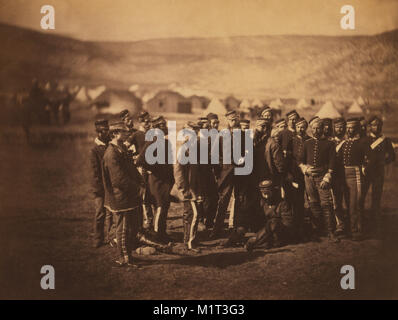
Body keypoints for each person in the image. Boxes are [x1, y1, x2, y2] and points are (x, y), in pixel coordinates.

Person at [102, 122, 145, 268]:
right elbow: (118, 179)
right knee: (123, 229)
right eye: (124, 132)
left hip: (128, 196)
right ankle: (124, 258)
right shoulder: (111, 153)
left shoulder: (121, 149)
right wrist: (137, 188)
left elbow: (131, 169)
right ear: (114, 134)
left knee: (130, 228)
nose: (127, 134)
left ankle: (129, 256)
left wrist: (141, 182)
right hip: (120, 198)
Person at [299, 117, 339, 242]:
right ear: (310, 129)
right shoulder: (307, 143)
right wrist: (305, 169)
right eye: (313, 128)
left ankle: (331, 232)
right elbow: (300, 160)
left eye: (318, 128)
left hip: (322, 177)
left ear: (323, 129)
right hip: (309, 177)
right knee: (313, 203)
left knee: (326, 204)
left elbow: (332, 163)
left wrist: (328, 177)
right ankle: (317, 231)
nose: (316, 130)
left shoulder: (330, 144)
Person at [137, 116, 175, 243]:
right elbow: (141, 160)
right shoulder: (153, 141)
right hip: (156, 181)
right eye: (163, 125)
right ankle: (157, 237)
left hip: (166, 181)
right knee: (159, 207)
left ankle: (162, 233)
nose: (166, 127)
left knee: (164, 207)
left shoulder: (165, 142)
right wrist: (153, 169)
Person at [337, 118, 372, 241]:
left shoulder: (362, 142)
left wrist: (364, 168)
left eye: (351, 127)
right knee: (347, 203)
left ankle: (357, 230)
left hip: (355, 174)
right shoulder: (344, 143)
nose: (348, 130)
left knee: (355, 203)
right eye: (348, 127)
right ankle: (350, 229)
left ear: (356, 129)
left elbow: (370, 159)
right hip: (343, 174)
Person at [210, 110, 243, 239]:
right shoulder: (222, 135)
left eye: (235, 119)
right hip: (225, 173)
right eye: (231, 119)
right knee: (223, 201)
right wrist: (220, 169)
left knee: (240, 200)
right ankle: (216, 229)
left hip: (240, 172)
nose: (233, 122)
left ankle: (235, 228)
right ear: (227, 121)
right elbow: (214, 154)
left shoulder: (243, 135)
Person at [361, 115, 395, 235]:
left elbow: (392, 156)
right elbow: (359, 156)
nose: (377, 127)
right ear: (369, 127)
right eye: (374, 125)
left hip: (378, 173)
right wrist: (363, 165)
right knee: (361, 197)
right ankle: (361, 222)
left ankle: (375, 224)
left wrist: (383, 162)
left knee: (376, 198)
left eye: (379, 125)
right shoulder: (364, 140)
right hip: (365, 173)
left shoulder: (385, 140)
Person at [174, 121, 204, 253]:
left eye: (196, 132)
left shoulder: (193, 147)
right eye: (193, 132)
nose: (195, 134)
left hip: (194, 187)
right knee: (193, 215)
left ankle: (189, 240)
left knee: (190, 215)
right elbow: (178, 171)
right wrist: (183, 189)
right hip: (188, 189)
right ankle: (190, 243)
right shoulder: (183, 149)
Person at [245, 180, 295, 251]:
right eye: (264, 193)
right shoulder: (261, 203)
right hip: (266, 233)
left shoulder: (282, 203)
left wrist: (275, 225)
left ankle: (255, 243)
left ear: (273, 191)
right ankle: (259, 243)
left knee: (273, 222)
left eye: (268, 192)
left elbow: (288, 223)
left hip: (280, 233)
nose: (266, 196)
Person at [126, 111, 154, 229]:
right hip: (142, 168)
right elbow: (124, 147)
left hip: (153, 169)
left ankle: (152, 222)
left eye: (149, 121)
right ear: (140, 122)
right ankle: (146, 222)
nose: (148, 123)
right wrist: (134, 157)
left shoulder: (153, 135)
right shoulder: (136, 135)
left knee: (153, 194)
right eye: (145, 121)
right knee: (143, 195)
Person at [90, 119, 113, 248]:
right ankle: (98, 238)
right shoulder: (95, 150)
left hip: (110, 185)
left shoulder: (110, 145)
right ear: (99, 133)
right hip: (100, 187)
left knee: (111, 212)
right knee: (100, 213)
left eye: (107, 129)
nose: (108, 132)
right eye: (105, 130)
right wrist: (101, 188)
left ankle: (111, 237)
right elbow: (95, 173)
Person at [291, 117, 311, 240]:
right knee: (297, 200)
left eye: (303, 127)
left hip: (307, 173)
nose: (300, 129)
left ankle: (313, 226)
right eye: (298, 127)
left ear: (306, 127)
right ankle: (298, 227)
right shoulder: (292, 140)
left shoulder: (309, 140)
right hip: (295, 174)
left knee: (310, 198)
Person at [331, 117, 349, 236]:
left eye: (342, 126)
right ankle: (340, 225)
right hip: (335, 176)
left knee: (350, 201)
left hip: (348, 175)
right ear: (334, 128)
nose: (339, 129)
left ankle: (352, 224)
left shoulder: (349, 141)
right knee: (336, 202)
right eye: (337, 126)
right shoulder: (330, 142)